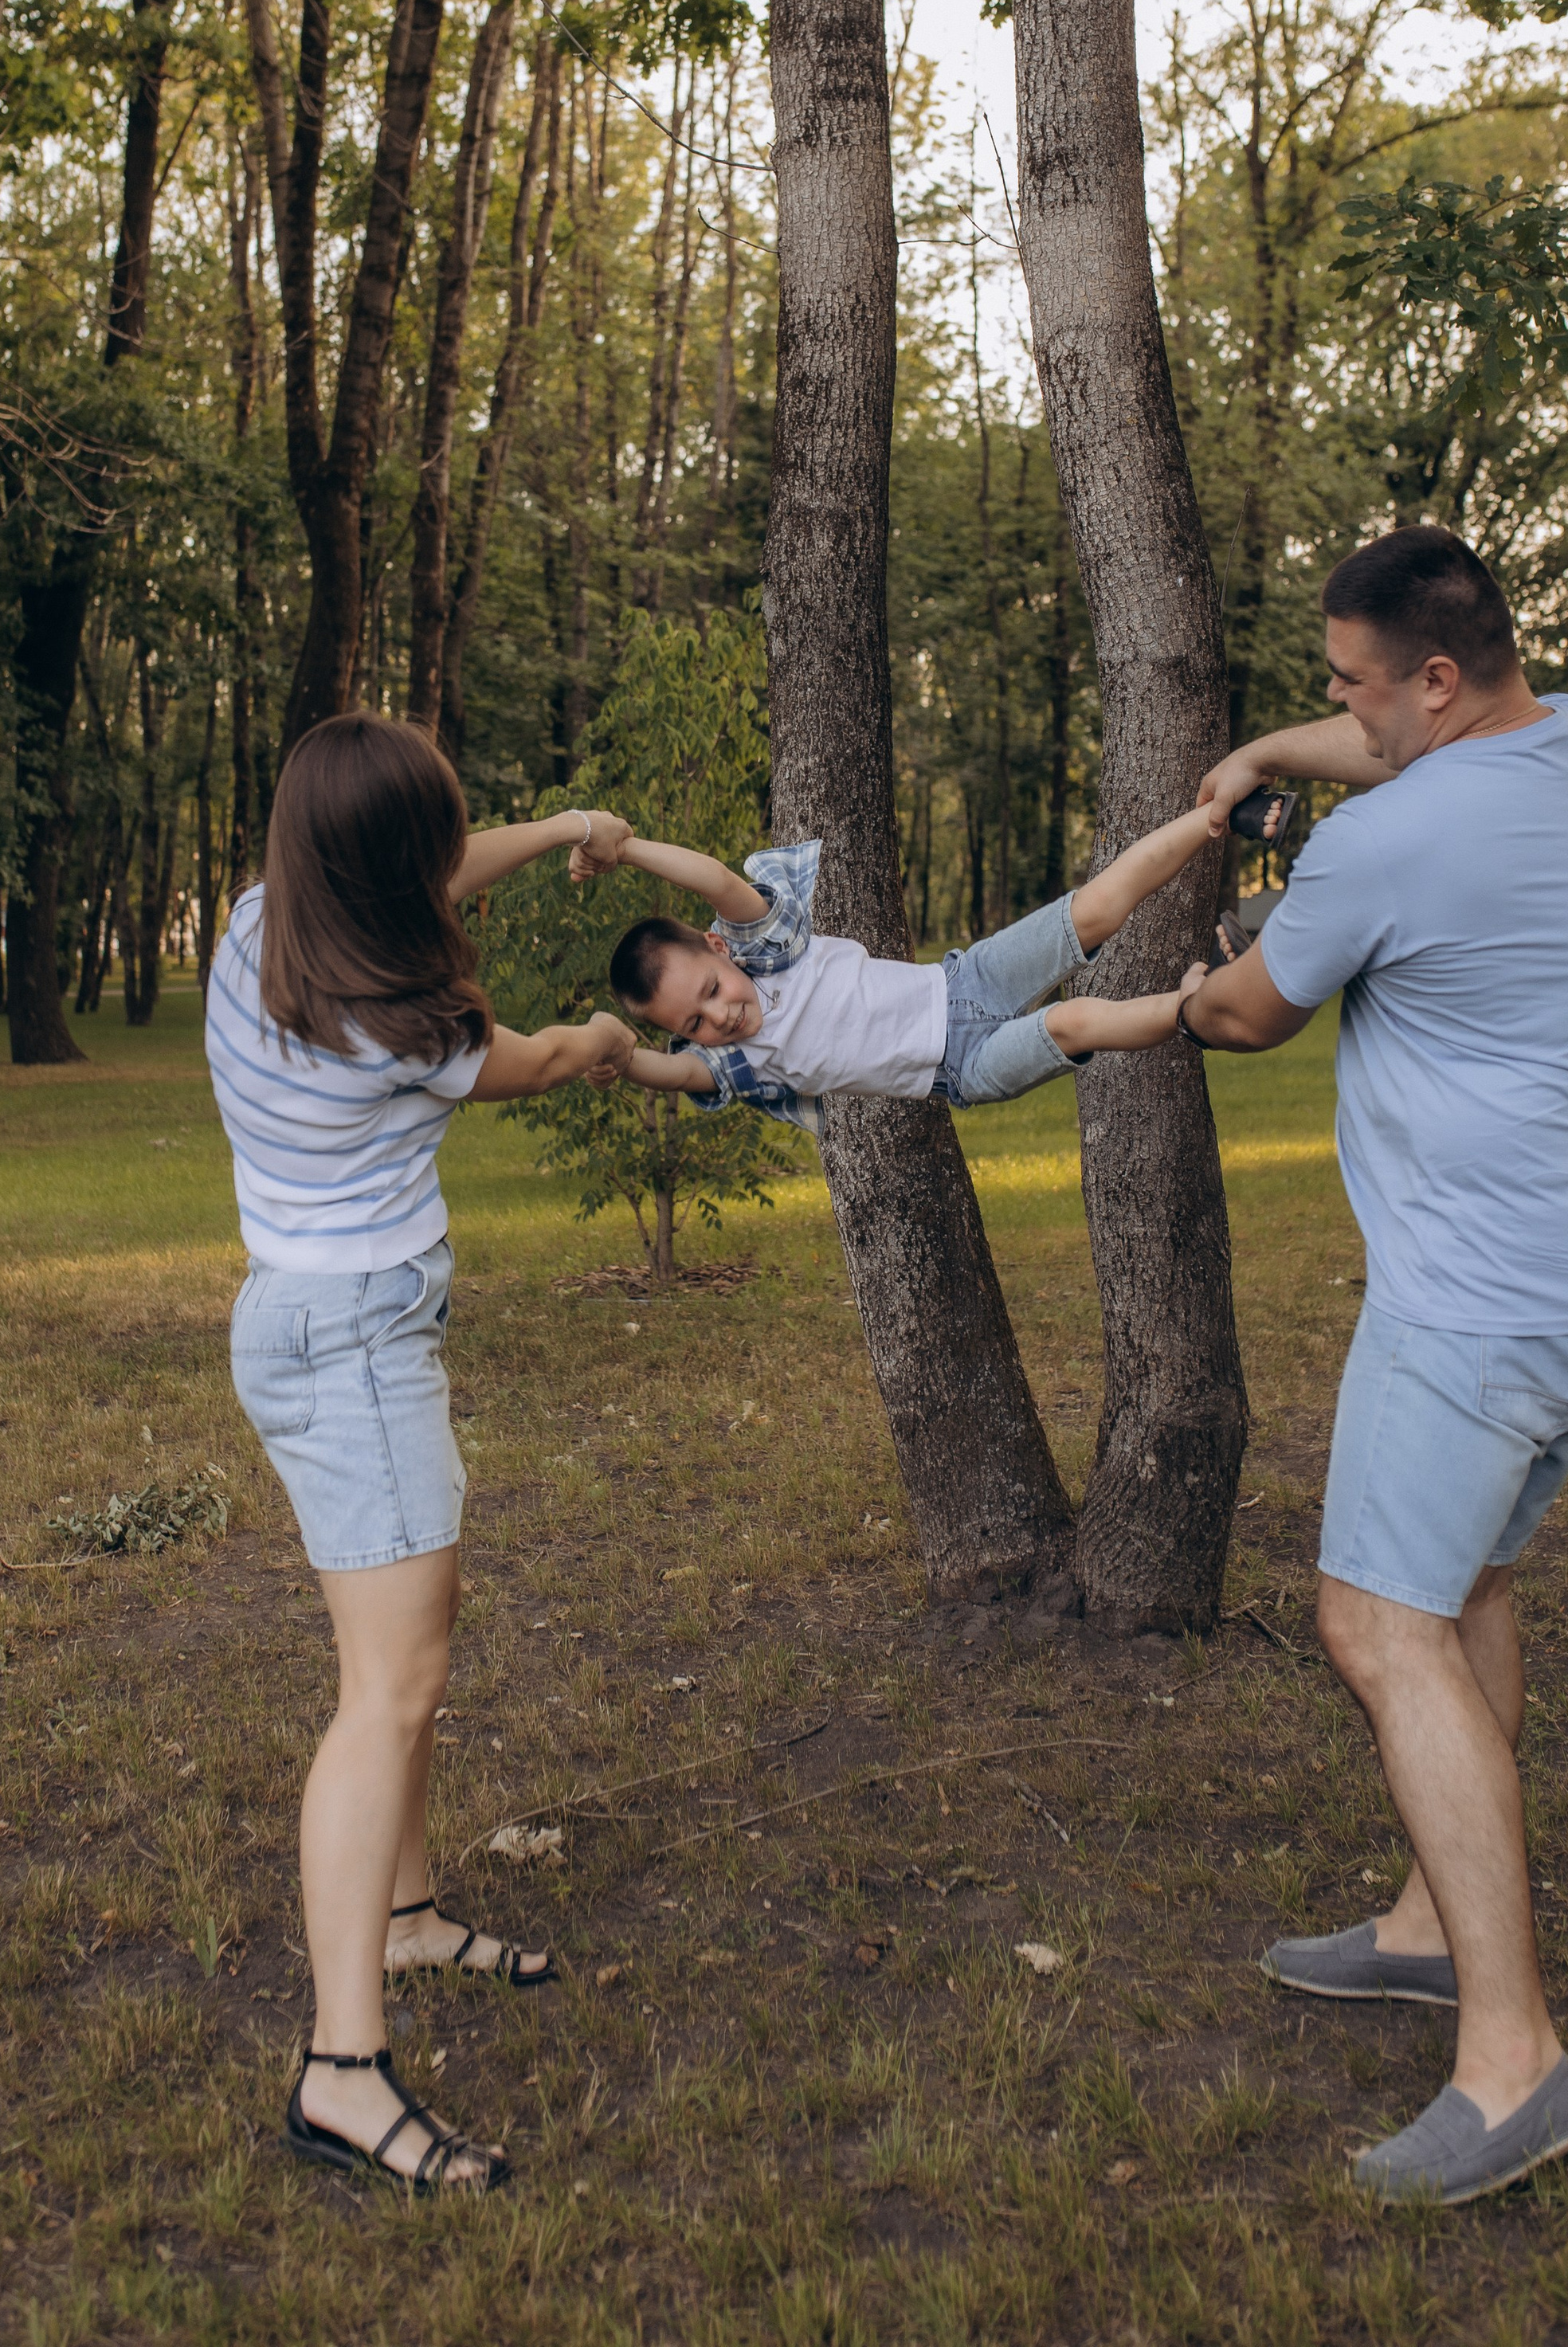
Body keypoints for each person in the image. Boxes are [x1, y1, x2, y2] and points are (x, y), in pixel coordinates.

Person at [1173, 524, 1568, 2209]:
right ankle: (1416, 1925)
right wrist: (1260, 750)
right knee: (1466, 1587)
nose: (1341, 713)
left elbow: (1249, 1014)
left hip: (1468, 1306)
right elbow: (1382, 746)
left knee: (1372, 1625)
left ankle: (1509, 2060)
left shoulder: (1385, 842)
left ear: (1432, 680)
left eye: (1349, 687)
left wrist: (1196, 975)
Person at [204, 712, 637, 2196]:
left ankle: (405, 1912)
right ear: (392, 873)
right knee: (389, 1691)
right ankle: (341, 2069)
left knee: (408, 1667)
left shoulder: (262, 925)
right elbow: (559, 1054)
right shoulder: (420, 1031)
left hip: (300, 1323)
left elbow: (438, 874)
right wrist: (618, 1039)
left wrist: (570, 825)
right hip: (358, 1352)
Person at [580, 795, 1286, 1130]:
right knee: (1071, 1022)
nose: (720, 1016)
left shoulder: (766, 949)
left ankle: (1222, 814)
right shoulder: (745, 1062)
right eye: (695, 1023)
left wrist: (626, 846)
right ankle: (1202, 1002)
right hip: (962, 1067)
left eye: (710, 990)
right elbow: (668, 1072)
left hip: (963, 979)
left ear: (717, 949)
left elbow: (711, 878)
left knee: (1093, 909)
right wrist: (615, 1051)